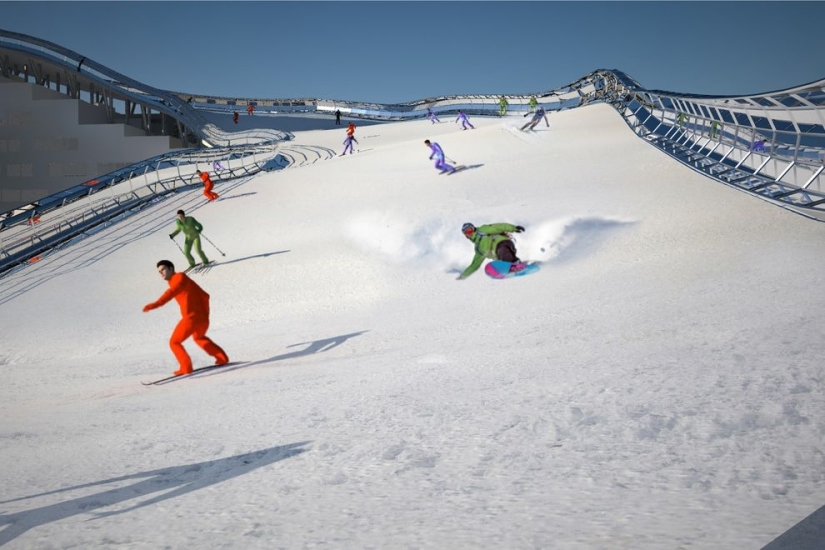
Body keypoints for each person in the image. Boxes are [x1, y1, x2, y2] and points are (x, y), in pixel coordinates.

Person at [142, 259, 229, 376]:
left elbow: (172, 292)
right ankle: (222, 358)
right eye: (159, 271)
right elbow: (205, 296)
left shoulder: (179, 277)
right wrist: (204, 314)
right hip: (202, 319)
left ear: (171, 269)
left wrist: (156, 304)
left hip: (191, 319)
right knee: (199, 337)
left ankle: (186, 366)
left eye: (163, 269)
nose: (161, 273)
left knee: (174, 342)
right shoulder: (181, 280)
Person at [457, 222, 525, 280]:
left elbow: (498, 227)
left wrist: (514, 228)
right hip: (500, 255)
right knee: (503, 258)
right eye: (467, 233)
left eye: (470, 230)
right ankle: (515, 264)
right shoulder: (479, 249)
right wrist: (462, 276)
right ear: (466, 236)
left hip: (502, 243)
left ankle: (514, 265)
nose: (470, 233)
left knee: (502, 251)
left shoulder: (482, 230)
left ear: (473, 228)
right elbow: (474, 265)